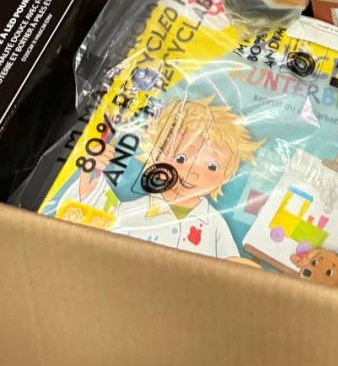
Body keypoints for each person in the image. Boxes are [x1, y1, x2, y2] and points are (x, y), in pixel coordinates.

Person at [56, 96, 263, 258]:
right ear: (157, 155)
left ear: (225, 176)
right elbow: (92, 214)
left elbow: (231, 267)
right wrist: (89, 173)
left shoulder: (215, 224)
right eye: (181, 158)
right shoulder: (136, 210)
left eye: (211, 166)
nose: (193, 173)